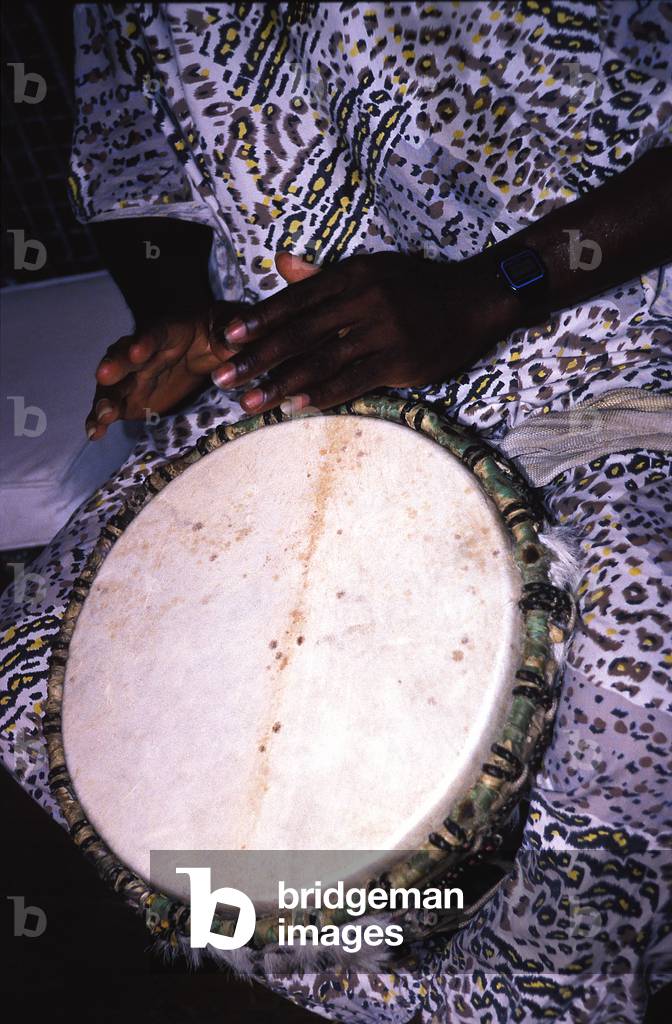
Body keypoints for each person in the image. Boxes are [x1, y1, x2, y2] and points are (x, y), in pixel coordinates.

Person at [2, 2, 671, 1021]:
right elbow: (141, 170)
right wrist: (184, 312)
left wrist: (495, 288)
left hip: (586, 352)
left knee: (640, 668)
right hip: (294, 372)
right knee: (42, 683)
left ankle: (547, 988)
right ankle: (390, 984)